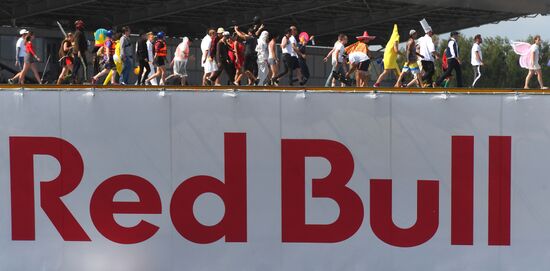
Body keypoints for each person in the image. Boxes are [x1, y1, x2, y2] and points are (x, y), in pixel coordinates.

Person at [418, 19, 439, 87]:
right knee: (431, 71)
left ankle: (429, 87)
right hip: (428, 59)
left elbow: (417, 47)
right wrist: (437, 55)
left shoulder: (421, 39)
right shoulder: (429, 39)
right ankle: (420, 79)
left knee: (429, 75)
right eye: (431, 32)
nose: (432, 34)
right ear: (429, 32)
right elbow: (432, 50)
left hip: (422, 60)